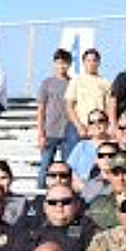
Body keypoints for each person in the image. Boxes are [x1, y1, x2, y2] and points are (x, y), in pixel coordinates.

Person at [34, 49, 75, 187]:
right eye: (58, 63)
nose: (61, 66)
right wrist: (40, 132)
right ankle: (40, 195)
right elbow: (41, 109)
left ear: (69, 64)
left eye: (65, 63)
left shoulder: (73, 83)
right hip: (50, 130)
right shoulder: (47, 83)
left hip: (68, 132)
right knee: (45, 167)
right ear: (54, 64)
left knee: (68, 168)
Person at [64, 48, 111, 138]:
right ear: (83, 62)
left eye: (94, 60)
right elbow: (69, 106)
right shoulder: (76, 81)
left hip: (99, 128)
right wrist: (79, 126)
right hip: (80, 127)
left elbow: (108, 107)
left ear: (98, 63)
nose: (91, 63)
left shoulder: (105, 82)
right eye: (88, 60)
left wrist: (106, 126)